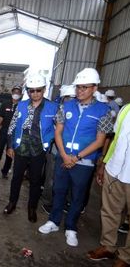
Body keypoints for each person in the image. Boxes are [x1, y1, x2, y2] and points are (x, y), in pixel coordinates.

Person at [38, 68, 113, 247]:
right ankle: (54, 221)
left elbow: (100, 140)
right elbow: (58, 133)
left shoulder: (103, 110)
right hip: (63, 158)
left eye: (85, 87)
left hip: (84, 162)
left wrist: (76, 157)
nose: (80, 91)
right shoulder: (66, 106)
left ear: (95, 88)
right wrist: (64, 156)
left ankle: (71, 227)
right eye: (78, 87)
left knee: (78, 195)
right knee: (59, 190)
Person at [3, 73, 58, 223]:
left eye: (38, 90)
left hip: (38, 149)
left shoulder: (53, 108)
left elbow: (60, 130)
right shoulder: (21, 105)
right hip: (21, 147)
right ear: (27, 91)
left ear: (44, 89)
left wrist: (50, 140)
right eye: (31, 90)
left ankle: (32, 207)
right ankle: (12, 202)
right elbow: (12, 126)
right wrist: (10, 145)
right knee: (16, 177)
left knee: (35, 180)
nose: (35, 93)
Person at [87, 103, 130, 267]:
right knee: (109, 210)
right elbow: (115, 139)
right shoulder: (126, 109)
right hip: (115, 168)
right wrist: (105, 162)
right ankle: (108, 246)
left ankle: (126, 257)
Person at [41, 84, 76, 214]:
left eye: (73, 97)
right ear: (63, 98)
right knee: (52, 177)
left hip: (72, 152)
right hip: (56, 150)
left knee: (67, 179)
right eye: (68, 97)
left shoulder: (77, 111)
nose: (71, 100)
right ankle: (48, 201)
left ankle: (63, 202)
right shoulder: (57, 110)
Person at [0, 85, 22, 179]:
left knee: (10, 153)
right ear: (11, 93)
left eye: (18, 92)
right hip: (4, 131)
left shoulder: (22, 106)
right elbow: (0, 118)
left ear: (20, 94)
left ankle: (5, 171)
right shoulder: (5, 104)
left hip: (14, 133)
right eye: (14, 92)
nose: (16, 94)